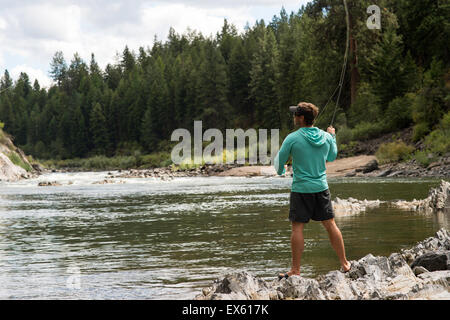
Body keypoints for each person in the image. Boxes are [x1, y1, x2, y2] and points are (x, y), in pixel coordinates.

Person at [274, 102, 351, 279]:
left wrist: (281, 171)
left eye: (295, 115)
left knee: (297, 228)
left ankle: (295, 270)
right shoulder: (325, 136)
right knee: (330, 225)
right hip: (321, 188)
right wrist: (332, 137)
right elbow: (331, 156)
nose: (294, 117)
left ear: (301, 118)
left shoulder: (292, 138)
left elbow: (279, 162)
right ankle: (345, 264)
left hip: (301, 189)